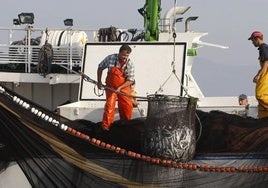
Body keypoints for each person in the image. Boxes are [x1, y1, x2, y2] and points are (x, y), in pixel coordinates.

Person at [97, 44, 135, 130]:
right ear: (119, 53)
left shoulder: (130, 64)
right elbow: (100, 67)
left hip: (124, 87)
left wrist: (120, 88)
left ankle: (126, 126)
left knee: (127, 106)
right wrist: (99, 81)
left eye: (127, 55)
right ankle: (106, 127)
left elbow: (130, 80)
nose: (125, 57)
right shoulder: (110, 58)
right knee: (110, 106)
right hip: (111, 87)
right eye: (123, 55)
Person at [248, 31, 268, 118]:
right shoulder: (263, 48)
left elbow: (266, 63)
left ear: (257, 39)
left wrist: (259, 75)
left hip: (266, 74)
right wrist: (257, 74)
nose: (252, 42)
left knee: (260, 95)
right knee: (261, 104)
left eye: (252, 40)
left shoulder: (263, 48)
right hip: (264, 72)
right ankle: (263, 119)